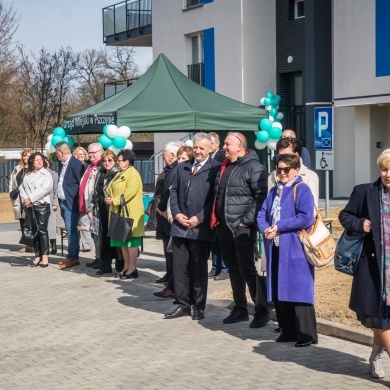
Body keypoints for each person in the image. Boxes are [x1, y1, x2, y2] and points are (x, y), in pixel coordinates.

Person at [338, 148, 390, 378]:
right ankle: (378, 357)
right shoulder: (365, 192)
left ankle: (376, 355)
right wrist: (361, 224)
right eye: (384, 168)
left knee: (382, 320)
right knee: (384, 320)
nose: (388, 173)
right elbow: (345, 216)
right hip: (374, 268)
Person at [211, 132, 269, 328]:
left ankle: (261, 310)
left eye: (227, 144)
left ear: (240, 146)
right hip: (225, 228)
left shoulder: (254, 167)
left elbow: (261, 196)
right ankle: (240, 308)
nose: (223, 148)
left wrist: (246, 221)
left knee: (247, 269)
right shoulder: (226, 166)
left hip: (243, 228)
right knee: (234, 270)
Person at [258, 153, 317, 347]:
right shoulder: (274, 190)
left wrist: (280, 226)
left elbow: (306, 217)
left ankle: (306, 334)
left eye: (286, 169)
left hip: (295, 247)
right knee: (279, 288)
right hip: (275, 246)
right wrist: (265, 227)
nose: (282, 173)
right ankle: (287, 331)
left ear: (296, 171)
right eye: (279, 169)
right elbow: (262, 213)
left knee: (299, 290)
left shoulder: (302, 189)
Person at [165, 133, 221, 320]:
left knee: (198, 269)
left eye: (202, 148)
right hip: (180, 226)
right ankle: (183, 305)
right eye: (195, 147)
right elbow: (173, 192)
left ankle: (199, 305)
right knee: (180, 269)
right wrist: (177, 213)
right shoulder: (183, 167)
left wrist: (200, 218)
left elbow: (214, 199)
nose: (197, 151)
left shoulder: (215, 169)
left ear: (210, 149)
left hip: (200, 228)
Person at [153, 145, 193, 299]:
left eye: (183, 158)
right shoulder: (174, 171)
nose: (180, 161)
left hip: (184, 221)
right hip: (172, 217)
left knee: (180, 258)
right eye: (179, 158)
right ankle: (174, 286)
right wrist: (170, 213)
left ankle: (177, 289)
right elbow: (170, 193)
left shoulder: (184, 172)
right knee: (173, 255)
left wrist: (166, 209)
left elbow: (171, 193)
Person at [105, 149, 144, 279]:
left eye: (119, 160)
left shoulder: (133, 174)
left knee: (131, 242)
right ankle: (126, 267)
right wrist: (108, 197)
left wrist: (115, 200)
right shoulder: (119, 173)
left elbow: (130, 192)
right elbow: (110, 188)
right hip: (119, 212)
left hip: (130, 213)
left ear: (127, 161)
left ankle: (132, 268)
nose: (117, 163)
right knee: (123, 243)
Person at [87, 149, 120, 275]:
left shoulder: (117, 173)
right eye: (104, 161)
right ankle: (105, 266)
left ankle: (120, 267)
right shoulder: (100, 173)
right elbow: (95, 193)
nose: (106, 163)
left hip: (113, 210)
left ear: (115, 161)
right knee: (103, 239)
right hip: (100, 210)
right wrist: (90, 209)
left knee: (115, 240)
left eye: (109, 160)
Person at [155, 140, 184, 284]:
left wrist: (161, 207)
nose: (162, 158)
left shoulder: (175, 170)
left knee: (172, 249)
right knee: (167, 247)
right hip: (163, 214)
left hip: (169, 213)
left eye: (164, 155)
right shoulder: (168, 169)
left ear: (172, 155)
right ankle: (169, 274)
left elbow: (169, 192)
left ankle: (173, 278)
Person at [19, 152, 53, 267]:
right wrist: (25, 199)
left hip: (42, 205)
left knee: (42, 230)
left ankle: (45, 256)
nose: (39, 161)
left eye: (41, 159)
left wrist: (31, 199)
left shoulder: (46, 174)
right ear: (32, 161)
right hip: (30, 206)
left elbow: (45, 189)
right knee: (33, 230)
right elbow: (21, 188)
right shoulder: (28, 175)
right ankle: (37, 254)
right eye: (37, 159)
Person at [55, 142, 86, 269]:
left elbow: (81, 185)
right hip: (64, 202)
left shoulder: (76, 164)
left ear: (61, 152)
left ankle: (71, 257)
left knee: (71, 230)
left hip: (72, 203)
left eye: (56, 153)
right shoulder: (63, 164)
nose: (56, 156)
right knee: (72, 230)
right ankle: (75, 257)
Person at [269, 137, 319, 206]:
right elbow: (268, 207)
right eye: (280, 156)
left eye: (287, 155)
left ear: (297, 155)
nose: (283, 159)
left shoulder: (310, 176)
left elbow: (311, 209)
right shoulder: (272, 176)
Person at [208, 132, 229, 280]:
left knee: (222, 242)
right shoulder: (209, 157)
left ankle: (224, 268)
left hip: (220, 206)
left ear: (216, 144)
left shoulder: (221, 158)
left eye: (210, 143)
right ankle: (215, 267)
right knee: (214, 241)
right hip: (211, 206)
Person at [78, 143, 103, 254]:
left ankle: (100, 258)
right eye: (90, 152)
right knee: (94, 233)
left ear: (101, 152)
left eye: (94, 152)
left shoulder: (101, 167)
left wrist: (91, 207)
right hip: (86, 207)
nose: (91, 155)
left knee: (97, 234)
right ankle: (97, 257)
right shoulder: (90, 166)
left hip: (94, 208)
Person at [9, 148, 34, 253]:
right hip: (19, 199)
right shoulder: (17, 168)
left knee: (31, 222)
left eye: (28, 156)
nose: (26, 158)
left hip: (30, 199)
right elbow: (12, 183)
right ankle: (27, 244)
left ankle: (33, 243)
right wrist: (11, 194)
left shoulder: (34, 169)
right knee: (22, 222)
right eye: (24, 155)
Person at [45, 157, 59, 255]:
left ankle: (53, 244)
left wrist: (55, 203)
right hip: (41, 202)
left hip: (51, 202)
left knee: (51, 225)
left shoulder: (53, 174)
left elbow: (56, 190)